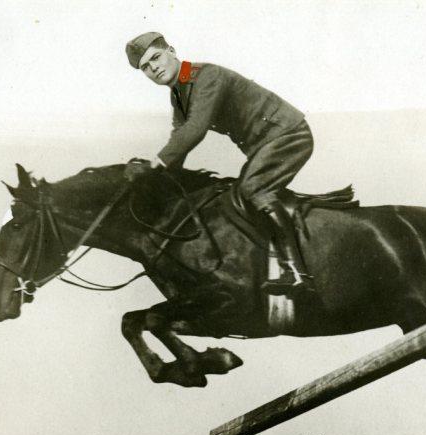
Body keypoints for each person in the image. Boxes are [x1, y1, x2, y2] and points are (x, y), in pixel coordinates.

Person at [125, 32, 314, 294]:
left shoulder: (206, 76)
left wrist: (156, 163)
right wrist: (157, 176)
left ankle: (296, 272)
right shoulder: (178, 94)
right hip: (265, 144)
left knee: (254, 189)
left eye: (155, 58)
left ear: (171, 50)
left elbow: (195, 128)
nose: (153, 68)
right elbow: (180, 137)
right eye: (145, 67)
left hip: (287, 134)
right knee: (236, 196)